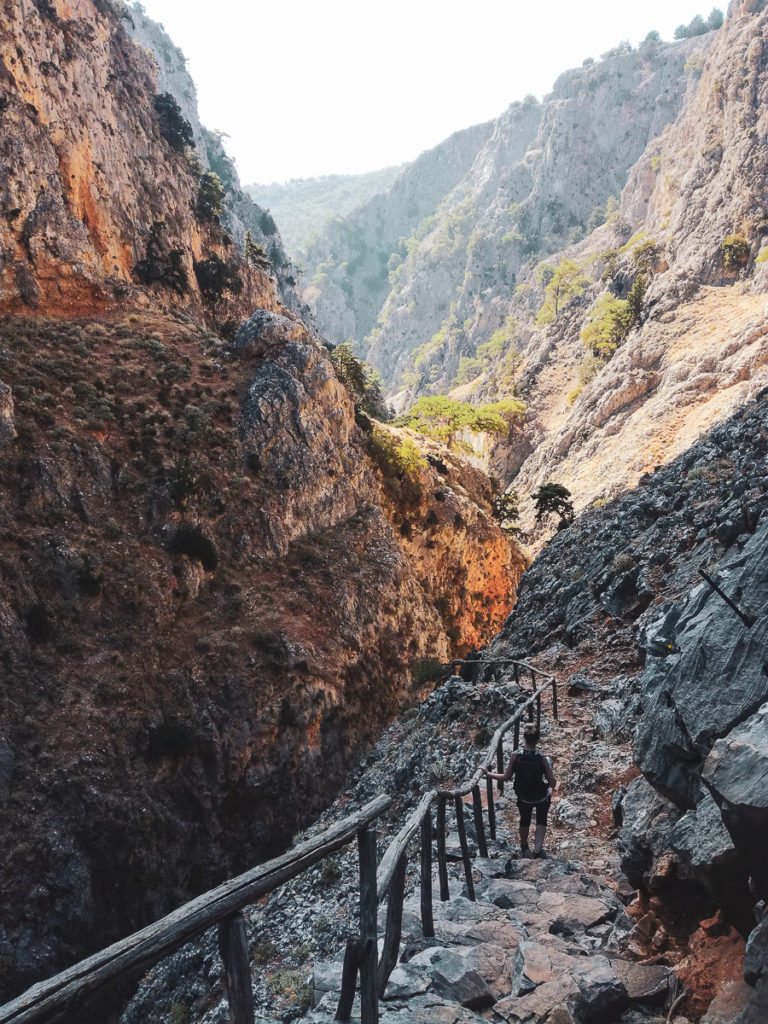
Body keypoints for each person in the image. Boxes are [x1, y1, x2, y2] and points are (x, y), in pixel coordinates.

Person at [484, 722, 556, 858]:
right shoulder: (542, 760)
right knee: (541, 819)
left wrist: (488, 774)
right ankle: (537, 850)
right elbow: (552, 783)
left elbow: (506, 777)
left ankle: (524, 846)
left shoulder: (515, 756)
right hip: (540, 796)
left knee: (525, 819)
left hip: (524, 796)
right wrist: (549, 766)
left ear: (524, 738)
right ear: (538, 739)